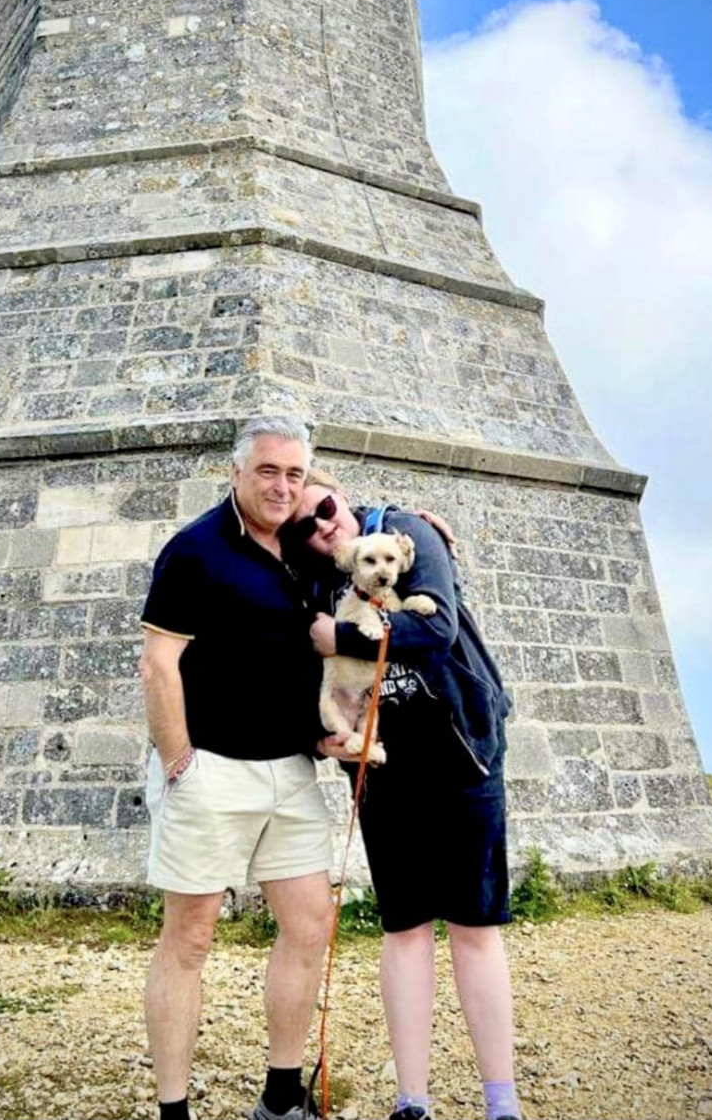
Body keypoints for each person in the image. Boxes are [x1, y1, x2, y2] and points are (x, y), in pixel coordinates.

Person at [284, 469, 521, 1120]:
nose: (321, 525)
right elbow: (305, 667)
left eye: (324, 507)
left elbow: (436, 632)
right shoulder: (315, 580)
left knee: (475, 927)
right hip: (384, 774)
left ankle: (502, 1101)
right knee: (405, 930)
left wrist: (345, 635)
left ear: (338, 493)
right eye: (304, 525)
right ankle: (412, 1100)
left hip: (463, 758)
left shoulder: (411, 533)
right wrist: (320, 734)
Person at [140, 415, 339, 1120]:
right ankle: (174, 1112)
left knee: (310, 924)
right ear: (235, 471)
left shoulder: (302, 544)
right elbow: (158, 662)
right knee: (189, 937)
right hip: (212, 771)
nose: (282, 485)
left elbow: (362, 525)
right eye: (267, 471)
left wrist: (408, 520)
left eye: (294, 472)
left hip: (290, 772)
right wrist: (178, 762)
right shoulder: (194, 551)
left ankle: (281, 1098)